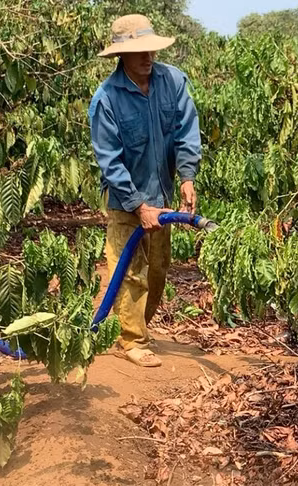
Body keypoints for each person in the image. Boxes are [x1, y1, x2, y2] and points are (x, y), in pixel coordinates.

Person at [88, 14, 201, 367]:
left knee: (157, 269)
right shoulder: (106, 99)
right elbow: (110, 159)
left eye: (150, 50)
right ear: (121, 55)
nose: (147, 58)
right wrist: (138, 205)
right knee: (130, 269)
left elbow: (185, 131)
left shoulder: (173, 82)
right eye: (138, 52)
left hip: (162, 196)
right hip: (126, 202)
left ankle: (136, 328)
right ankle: (131, 340)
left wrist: (186, 176)